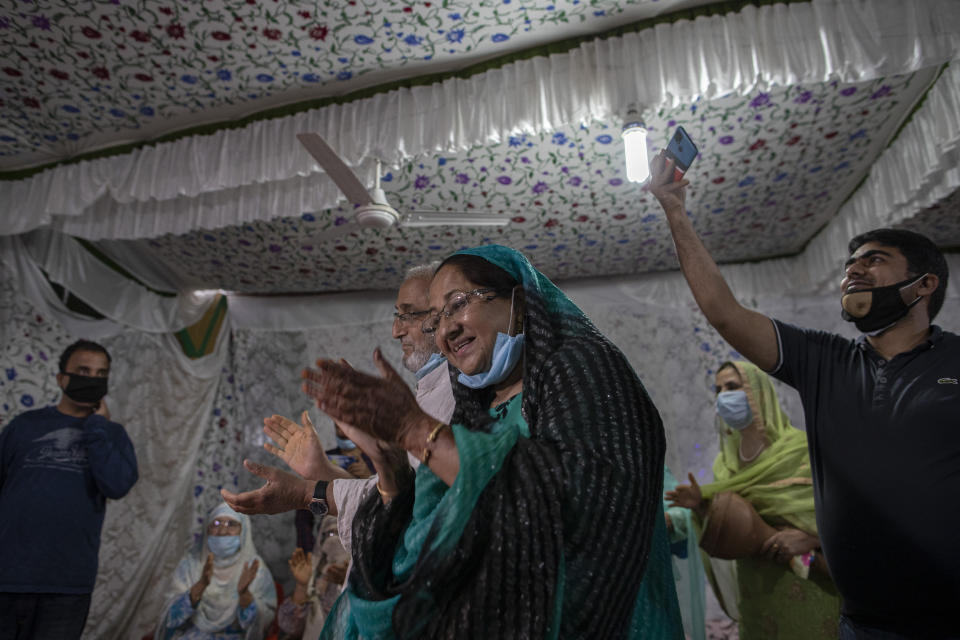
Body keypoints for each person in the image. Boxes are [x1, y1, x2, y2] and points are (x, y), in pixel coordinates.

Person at [649, 152, 960, 638]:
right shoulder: (826, 362)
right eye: (850, 262)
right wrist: (674, 209)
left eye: (873, 260)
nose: (854, 270)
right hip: (860, 622)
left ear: (925, 284)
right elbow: (725, 312)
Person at [301, 245, 683, 638]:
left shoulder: (585, 372)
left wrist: (415, 431)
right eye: (436, 319)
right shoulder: (471, 413)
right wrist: (390, 464)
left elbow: (569, 509)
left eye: (458, 304)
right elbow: (424, 543)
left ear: (519, 300)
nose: (446, 329)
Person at [221, 263, 455, 635]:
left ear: (449, 312)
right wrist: (322, 471)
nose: (396, 330)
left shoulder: (464, 396)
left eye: (408, 314)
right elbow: (392, 501)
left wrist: (305, 492)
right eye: (397, 316)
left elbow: (422, 514)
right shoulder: (432, 393)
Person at [667, 361, 840, 639]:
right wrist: (700, 505)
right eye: (719, 389)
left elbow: (844, 521)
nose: (724, 395)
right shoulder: (725, 464)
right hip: (757, 594)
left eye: (733, 387)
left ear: (760, 394)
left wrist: (814, 540)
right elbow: (728, 527)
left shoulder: (800, 451)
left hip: (810, 583)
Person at [0, 339, 138, 639]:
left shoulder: (112, 435)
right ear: (62, 378)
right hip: (8, 575)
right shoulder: (25, 425)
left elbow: (116, 485)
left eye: (101, 374)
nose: (92, 379)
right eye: (83, 371)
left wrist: (99, 427)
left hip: (67, 582)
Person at [155, 503, 277, 640]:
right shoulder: (191, 564)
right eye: (217, 523)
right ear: (207, 529)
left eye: (231, 524)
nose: (223, 531)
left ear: (244, 531)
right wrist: (200, 585)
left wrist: (244, 595)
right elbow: (170, 618)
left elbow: (265, 622)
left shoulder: (254, 568)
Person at [277, 515, 350, 640]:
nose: (334, 540)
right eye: (330, 533)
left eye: (341, 534)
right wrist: (302, 585)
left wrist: (349, 581)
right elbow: (290, 627)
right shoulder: (315, 575)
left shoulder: (367, 580)